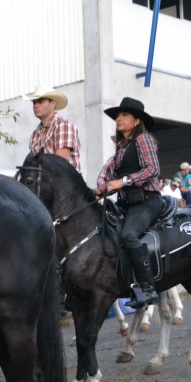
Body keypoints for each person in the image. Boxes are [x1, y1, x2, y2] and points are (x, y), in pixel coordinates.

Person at [96, 97, 163, 309]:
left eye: (124, 115)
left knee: (128, 235)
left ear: (136, 121)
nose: (119, 118)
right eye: (118, 115)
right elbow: (110, 177)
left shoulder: (144, 140)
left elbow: (153, 169)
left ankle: (147, 287)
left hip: (148, 200)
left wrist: (123, 181)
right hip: (128, 203)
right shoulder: (121, 148)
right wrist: (99, 190)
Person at [25, 85, 82, 172]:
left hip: (65, 183)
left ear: (52, 104)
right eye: (34, 102)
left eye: (40, 101)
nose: (35, 105)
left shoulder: (64, 126)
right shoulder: (35, 134)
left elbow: (58, 163)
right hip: (43, 182)